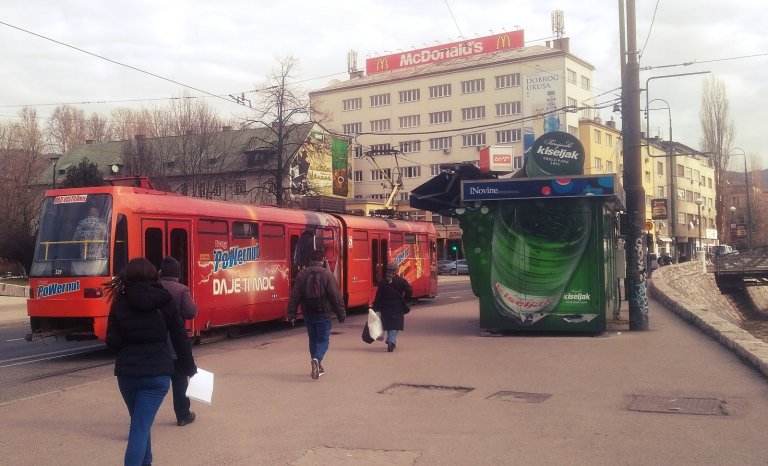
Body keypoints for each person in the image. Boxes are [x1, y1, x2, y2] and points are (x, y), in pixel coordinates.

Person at [105, 257, 197, 466]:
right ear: (154, 275)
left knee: (139, 424)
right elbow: (179, 338)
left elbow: (112, 342)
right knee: (140, 426)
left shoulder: (119, 302)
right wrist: (189, 368)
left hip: (127, 375)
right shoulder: (164, 301)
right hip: (157, 375)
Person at [287, 249, 346, 380]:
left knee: (313, 339)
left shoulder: (302, 274)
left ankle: (317, 365)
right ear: (322, 259)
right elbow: (335, 296)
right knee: (323, 339)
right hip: (323, 313)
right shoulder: (327, 274)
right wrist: (341, 313)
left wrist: (291, 314)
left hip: (308, 313)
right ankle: (317, 360)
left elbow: (295, 296)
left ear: (310, 260)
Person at [158, 256, 198, 427]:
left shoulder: (154, 288)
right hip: (175, 343)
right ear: (177, 273)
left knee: (156, 381)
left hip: (156, 344)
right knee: (180, 380)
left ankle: (145, 415)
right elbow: (190, 312)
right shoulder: (181, 290)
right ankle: (183, 415)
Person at [373, 262, 413, 352]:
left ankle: (390, 340)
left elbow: (378, 296)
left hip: (385, 307)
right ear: (397, 270)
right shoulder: (401, 281)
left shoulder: (383, 282)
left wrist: (375, 308)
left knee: (389, 325)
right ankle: (391, 341)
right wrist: (405, 299)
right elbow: (409, 291)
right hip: (397, 307)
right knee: (395, 326)